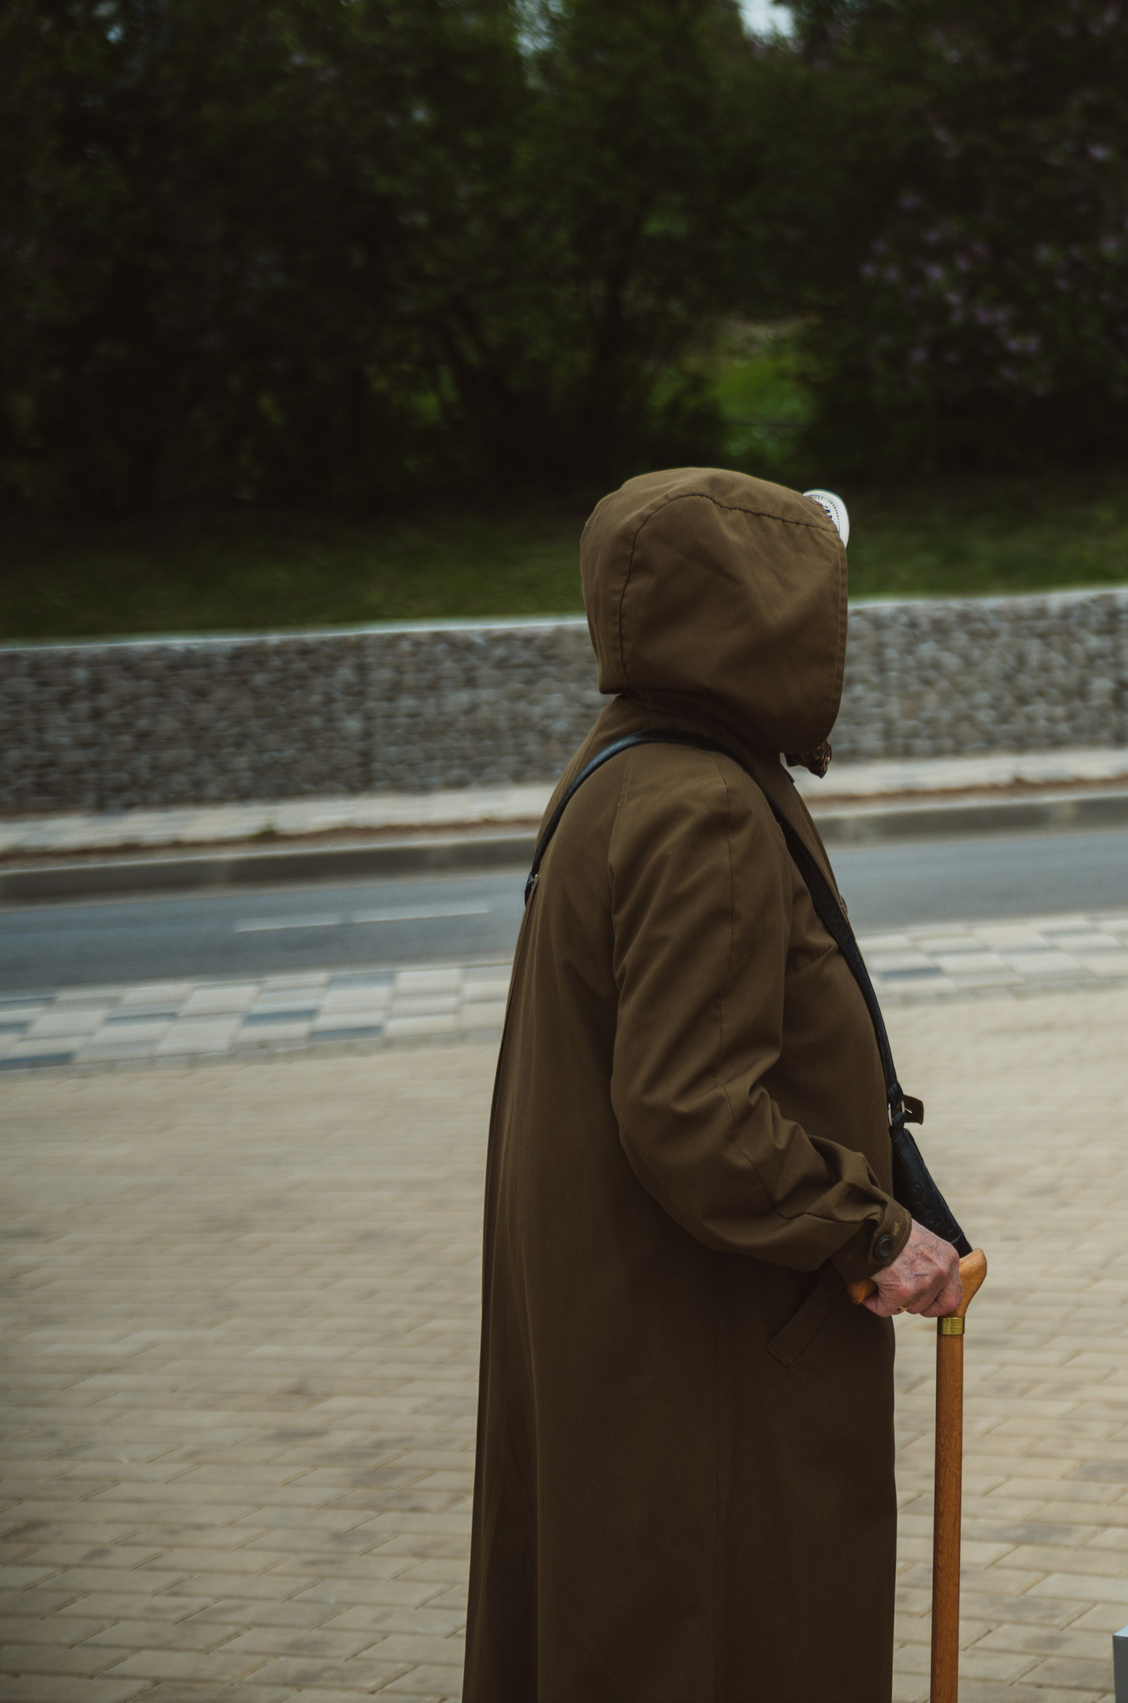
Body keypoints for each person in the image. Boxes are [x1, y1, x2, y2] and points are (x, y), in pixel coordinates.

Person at [465, 470, 964, 1702]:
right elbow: (694, 1109)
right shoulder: (702, 806)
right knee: (723, 1631)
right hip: (703, 1344)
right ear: (762, 616)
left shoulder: (629, 770)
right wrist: (875, 1231)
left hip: (649, 1323)